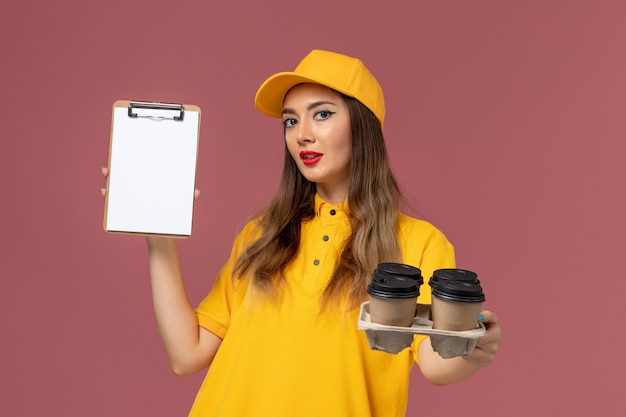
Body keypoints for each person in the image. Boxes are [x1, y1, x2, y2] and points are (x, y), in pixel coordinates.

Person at [102, 49, 501, 417]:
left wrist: (472, 347)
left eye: (322, 114)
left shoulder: (419, 243)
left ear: (362, 126)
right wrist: (159, 236)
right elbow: (186, 354)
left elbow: (435, 363)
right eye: (291, 120)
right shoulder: (261, 235)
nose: (302, 134)